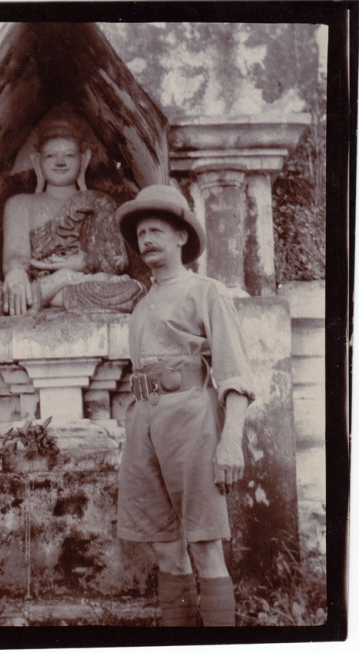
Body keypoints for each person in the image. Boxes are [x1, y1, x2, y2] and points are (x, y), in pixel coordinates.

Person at [115, 184, 255, 627]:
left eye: (156, 230)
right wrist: (136, 422)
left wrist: (230, 440)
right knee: (165, 547)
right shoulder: (141, 305)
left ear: (181, 237)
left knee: (205, 543)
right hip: (144, 427)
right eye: (141, 234)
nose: (147, 240)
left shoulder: (206, 291)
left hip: (191, 419)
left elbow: (234, 373)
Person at [0, 119, 144, 318]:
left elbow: (118, 261)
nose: (60, 162)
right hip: (39, 284)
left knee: (133, 291)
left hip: (85, 283)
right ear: (37, 162)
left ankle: (48, 293)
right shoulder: (18, 204)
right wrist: (15, 275)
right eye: (51, 156)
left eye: (69, 155)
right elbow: (16, 259)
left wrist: (84, 262)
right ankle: (54, 286)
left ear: (84, 160)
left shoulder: (100, 202)